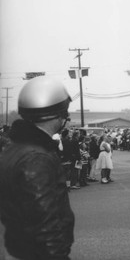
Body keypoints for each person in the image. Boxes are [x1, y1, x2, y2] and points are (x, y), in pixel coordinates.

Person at [0, 76, 75, 259]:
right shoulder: (37, 159)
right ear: (59, 114)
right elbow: (45, 224)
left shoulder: (15, 148)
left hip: (19, 247)